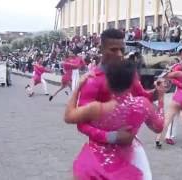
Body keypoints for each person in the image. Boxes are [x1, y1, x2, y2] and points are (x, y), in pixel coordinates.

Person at [65, 29, 164, 180]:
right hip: (100, 155)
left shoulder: (128, 73)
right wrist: (111, 137)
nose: (119, 54)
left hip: (129, 150)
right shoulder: (93, 80)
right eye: (113, 49)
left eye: (122, 50)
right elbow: (81, 124)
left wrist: (157, 92)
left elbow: (144, 97)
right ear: (101, 49)